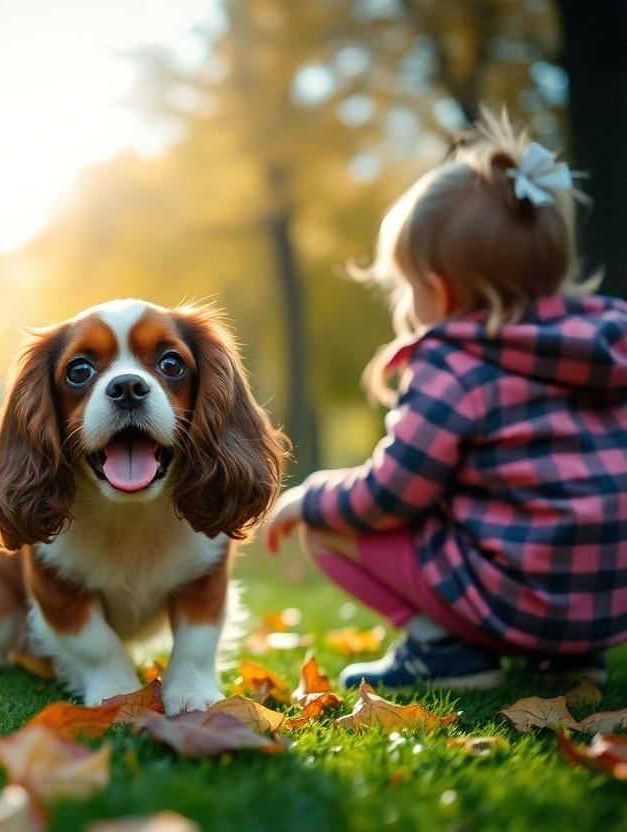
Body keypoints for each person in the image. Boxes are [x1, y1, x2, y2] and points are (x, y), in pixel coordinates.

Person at [264, 111, 627, 690]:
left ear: (438, 288)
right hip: (606, 603)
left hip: (515, 602)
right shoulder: (605, 345)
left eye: (407, 286)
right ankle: (571, 658)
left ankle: (447, 654)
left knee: (325, 527)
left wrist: (311, 497)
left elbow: (391, 494)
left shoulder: (454, 364)